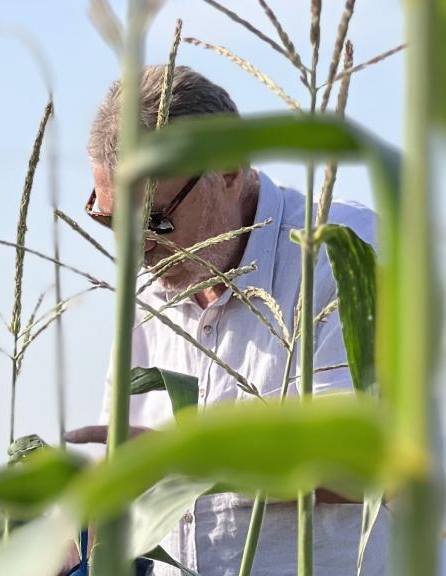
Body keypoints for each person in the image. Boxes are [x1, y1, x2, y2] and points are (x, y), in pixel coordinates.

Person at [65, 65, 389, 575]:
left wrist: (188, 457)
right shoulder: (148, 289)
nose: (138, 247)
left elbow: (364, 463)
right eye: (111, 220)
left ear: (230, 171)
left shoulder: (346, 255)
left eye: (155, 219)